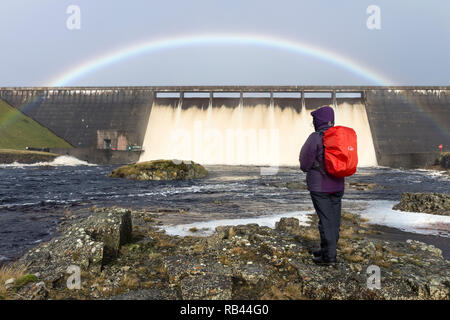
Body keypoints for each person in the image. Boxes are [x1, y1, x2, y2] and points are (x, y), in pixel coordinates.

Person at [299, 105, 344, 266]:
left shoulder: (315, 137)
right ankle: (327, 249)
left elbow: (304, 162)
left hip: (320, 187)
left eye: (314, 120)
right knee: (334, 220)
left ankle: (329, 258)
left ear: (319, 121)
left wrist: (309, 168)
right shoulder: (339, 136)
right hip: (338, 185)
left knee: (325, 220)